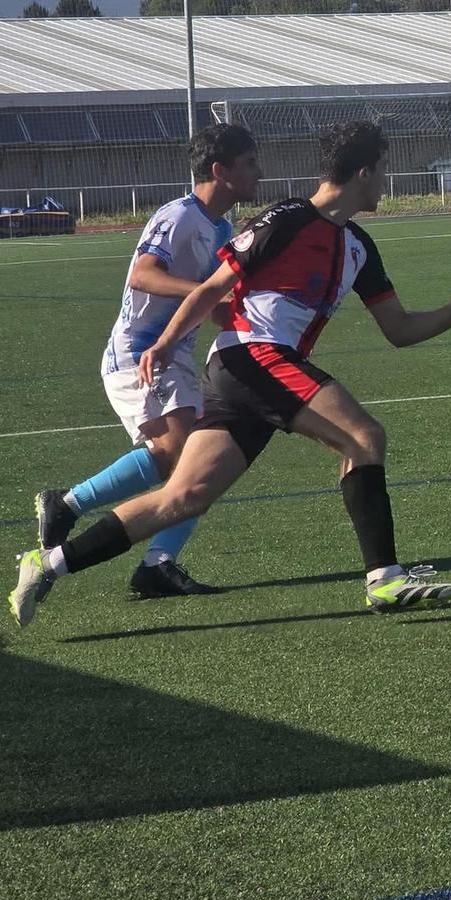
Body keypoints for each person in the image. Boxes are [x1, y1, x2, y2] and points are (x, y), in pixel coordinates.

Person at [12, 121, 451, 626]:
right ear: (363, 172)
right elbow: (208, 289)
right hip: (252, 357)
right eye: (383, 171)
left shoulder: (359, 247)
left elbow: (398, 327)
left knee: (182, 496)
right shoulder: (283, 219)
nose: (385, 183)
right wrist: (164, 343)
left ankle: (46, 564)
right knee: (364, 436)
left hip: (250, 373)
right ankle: (384, 578)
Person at [33, 124, 263, 598]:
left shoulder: (221, 228)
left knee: (190, 463)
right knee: (188, 461)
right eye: (250, 163)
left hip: (174, 358)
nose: (259, 172)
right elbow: (142, 275)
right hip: (140, 355)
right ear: (221, 171)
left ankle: (119, 538)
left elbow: (215, 298)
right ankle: (87, 517)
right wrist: (205, 297)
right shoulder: (178, 216)